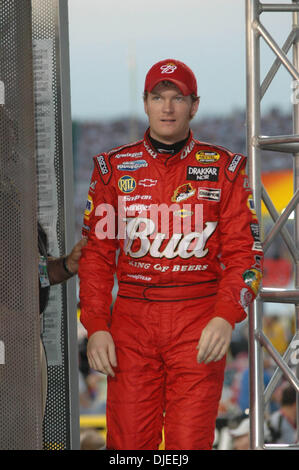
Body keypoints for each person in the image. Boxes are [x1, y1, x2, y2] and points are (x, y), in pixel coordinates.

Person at [78, 58, 263, 450]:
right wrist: (95, 325)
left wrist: (226, 316)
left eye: (177, 98)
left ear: (194, 105)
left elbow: (246, 255)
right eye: (158, 97)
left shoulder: (225, 169)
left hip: (198, 322)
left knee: (189, 443)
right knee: (126, 446)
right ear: (144, 102)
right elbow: (96, 256)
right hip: (131, 321)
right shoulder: (113, 170)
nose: (167, 107)